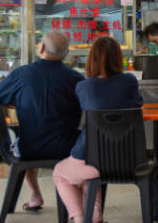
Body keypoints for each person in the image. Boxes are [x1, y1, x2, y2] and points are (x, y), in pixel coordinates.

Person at [0, 31, 84, 213]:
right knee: (85, 144)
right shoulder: (76, 78)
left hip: (29, 148)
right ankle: (77, 203)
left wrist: (19, 101)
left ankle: (35, 196)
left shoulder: (22, 74)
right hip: (67, 148)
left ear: (41, 48)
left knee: (22, 142)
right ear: (66, 54)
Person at [52, 37, 142, 223]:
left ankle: (78, 219)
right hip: (128, 160)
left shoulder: (83, 86)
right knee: (90, 173)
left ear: (91, 59)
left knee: (60, 173)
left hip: (91, 160)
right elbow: (138, 103)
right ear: (118, 59)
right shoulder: (130, 81)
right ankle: (95, 216)